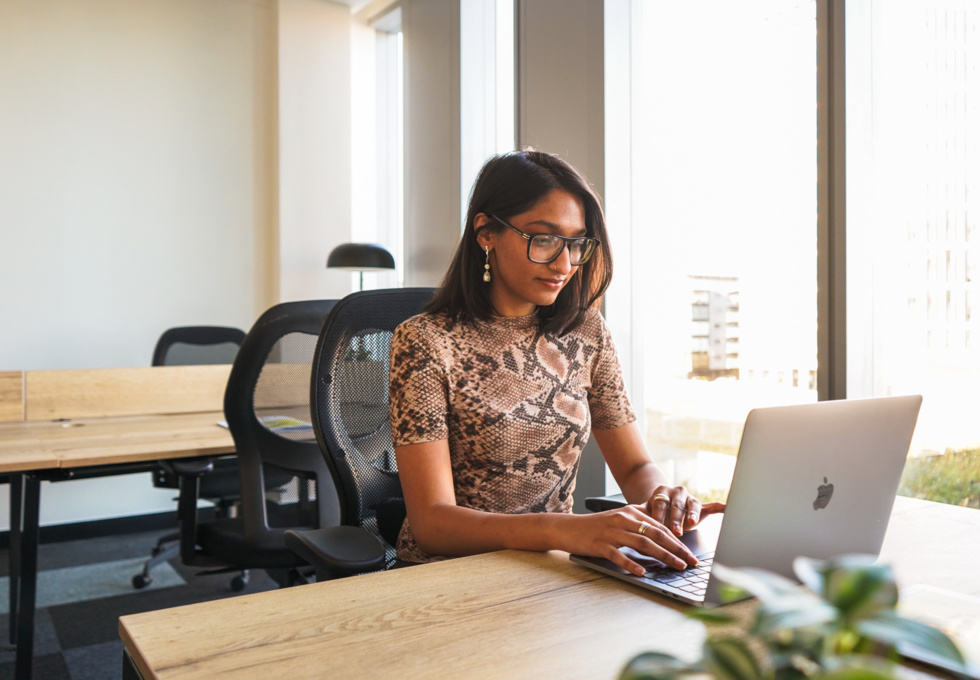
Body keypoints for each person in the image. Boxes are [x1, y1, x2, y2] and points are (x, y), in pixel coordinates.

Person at [389, 149, 724, 577]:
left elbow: (636, 466)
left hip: (549, 571)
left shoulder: (586, 331)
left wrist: (663, 497)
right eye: (543, 239)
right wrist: (566, 530)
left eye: (576, 242)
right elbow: (433, 523)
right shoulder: (424, 342)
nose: (564, 264)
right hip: (445, 577)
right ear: (486, 232)